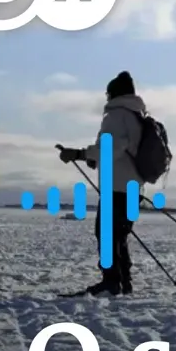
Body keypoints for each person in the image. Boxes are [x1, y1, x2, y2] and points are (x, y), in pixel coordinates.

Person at [59, 71, 145, 296]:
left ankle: (111, 282)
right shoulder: (136, 114)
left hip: (117, 187)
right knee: (118, 235)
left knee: (106, 233)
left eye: (108, 93)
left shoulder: (117, 114)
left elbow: (111, 148)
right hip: (134, 187)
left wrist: (79, 154)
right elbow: (121, 149)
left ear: (114, 93)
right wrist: (93, 158)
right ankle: (123, 282)